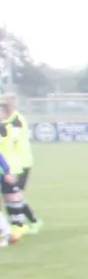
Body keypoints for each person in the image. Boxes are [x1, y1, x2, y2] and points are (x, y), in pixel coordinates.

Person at [0, 92, 37, 238]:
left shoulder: (15, 122)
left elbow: (11, 140)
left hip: (15, 164)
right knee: (13, 195)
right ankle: (20, 225)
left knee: (14, 196)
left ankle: (21, 225)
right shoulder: (8, 123)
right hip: (9, 164)